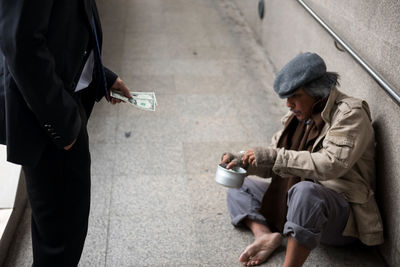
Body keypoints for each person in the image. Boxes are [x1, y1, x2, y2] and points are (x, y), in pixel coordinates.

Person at [221, 52, 384, 267]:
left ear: (317, 91)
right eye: (286, 97)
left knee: (305, 192)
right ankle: (264, 235)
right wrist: (242, 163)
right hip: (299, 201)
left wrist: (274, 156)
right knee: (240, 186)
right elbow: (275, 165)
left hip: (340, 215)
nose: (289, 104)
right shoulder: (300, 117)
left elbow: (330, 164)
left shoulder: (350, 114)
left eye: (295, 95)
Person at [0, 0, 130, 266]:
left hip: (62, 103)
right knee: (58, 244)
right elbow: (20, 44)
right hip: (46, 118)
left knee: (65, 233)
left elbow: (64, 21)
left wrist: (98, 75)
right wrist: (63, 126)